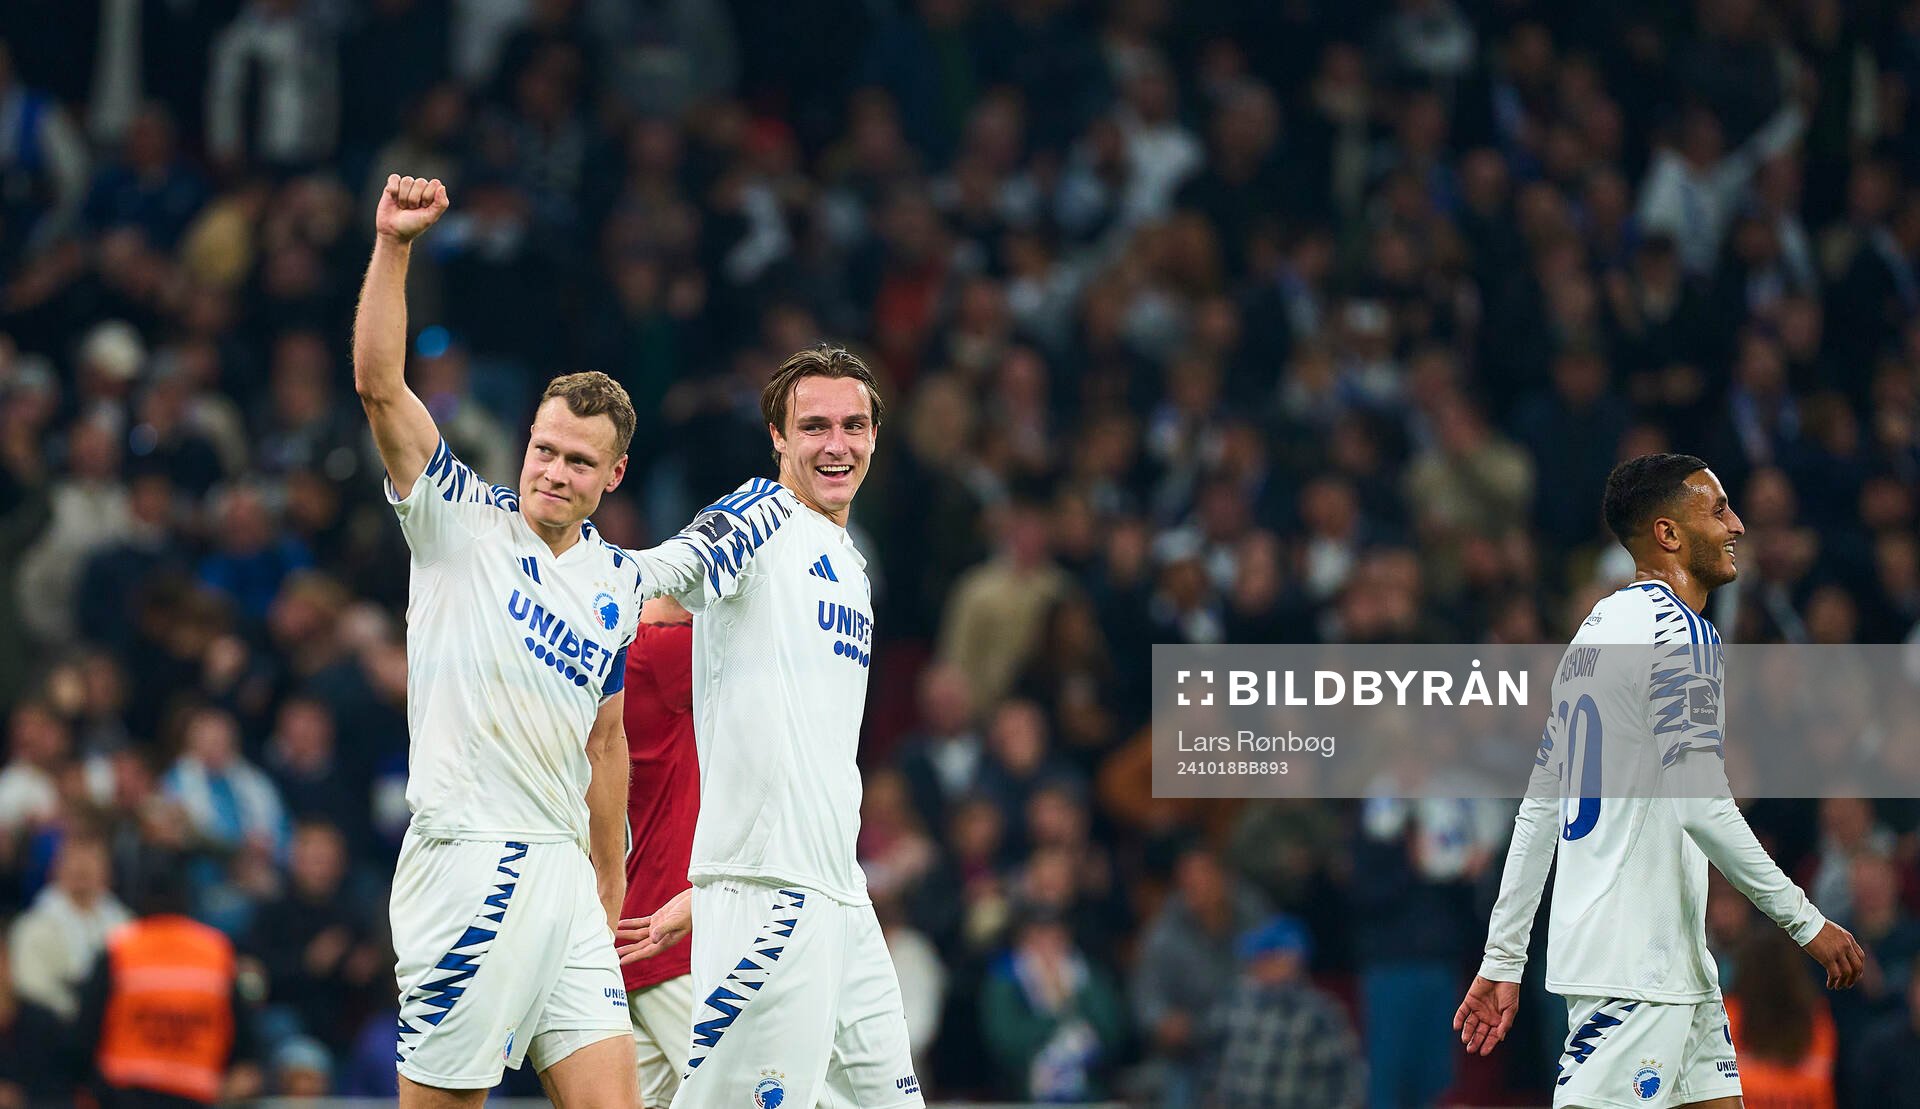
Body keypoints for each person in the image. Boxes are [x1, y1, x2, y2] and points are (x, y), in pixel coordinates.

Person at [352, 174, 640, 1106]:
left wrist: (609, 878)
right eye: (545, 448)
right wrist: (394, 245)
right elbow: (378, 386)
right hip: (468, 859)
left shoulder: (613, 584)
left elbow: (605, 738)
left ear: (614, 473)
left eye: (579, 461)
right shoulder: (460, 520)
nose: (553, 470)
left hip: (565, 879)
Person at [1456, 453, 1864, 1108]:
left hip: (1671, 966)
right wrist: (1805, 920)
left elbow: (1539, 810)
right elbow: (1701, 803)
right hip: (1636, 971)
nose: (1736, 526)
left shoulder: (1594, 635)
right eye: (1719, 510)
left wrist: (1504, 956)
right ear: (1669, 534)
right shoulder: (1681, 635)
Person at [614, 344, 926, 1109]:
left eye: (853, 425)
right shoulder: (761, 514)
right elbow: (673, 565)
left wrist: (700, 892)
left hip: (838, 892)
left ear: (876, 436)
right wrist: (591, 585)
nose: (836, 444)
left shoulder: (852, 563)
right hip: (771, 896)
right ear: (778, 439)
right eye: (813, 425)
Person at [74, 864, 263, 1108]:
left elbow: (84, 1034)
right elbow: (244, 1041)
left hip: (124, 1096)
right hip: (193, 1097)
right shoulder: (216, 952)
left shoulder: (120, 949)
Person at [620, 593, 699, 1108]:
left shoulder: (612, 658)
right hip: (676, 942)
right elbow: (772, 638)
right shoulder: (654, 653)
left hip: (636, 935)